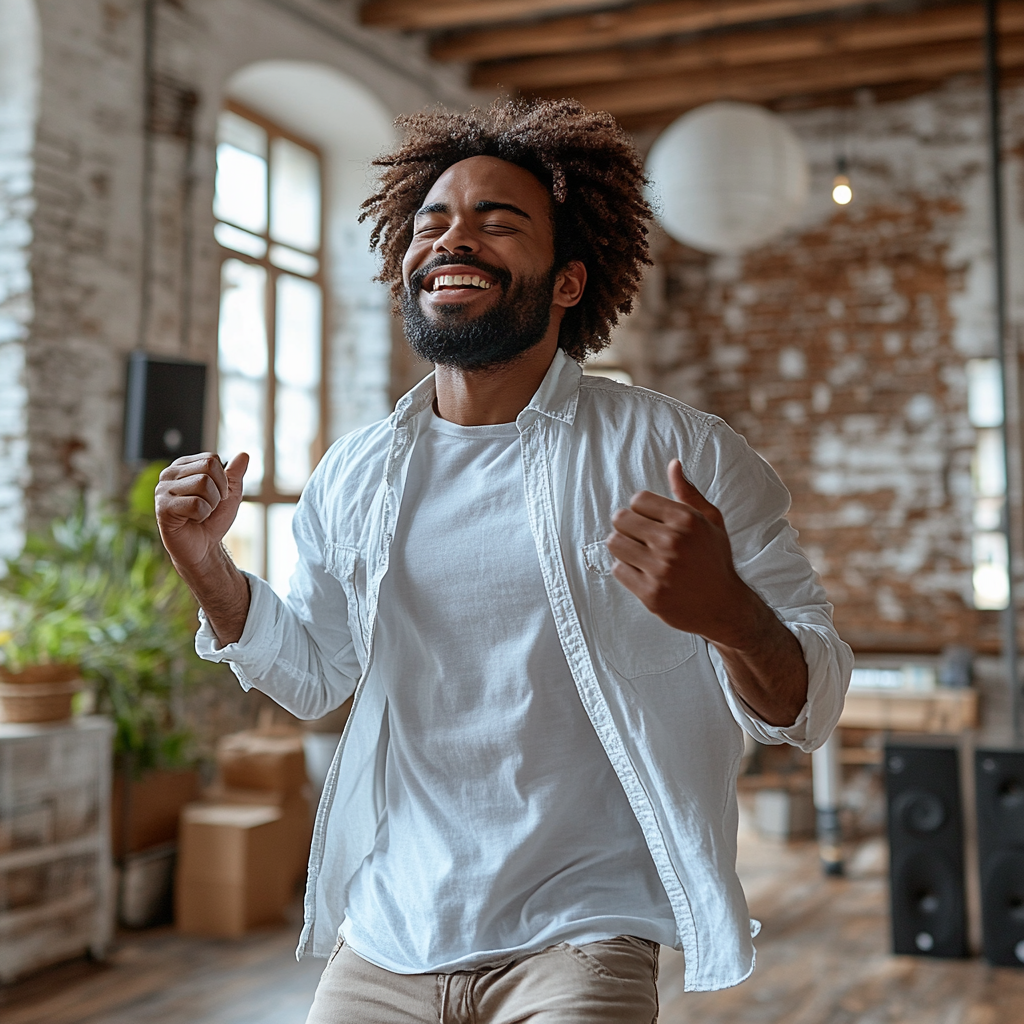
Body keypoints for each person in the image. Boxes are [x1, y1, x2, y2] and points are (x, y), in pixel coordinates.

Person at [155, 99, 852, 1023]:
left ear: (567, 284)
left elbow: (811, 705)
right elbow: (320, 679)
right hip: (390, 933)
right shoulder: (353, 475)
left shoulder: (680, 455)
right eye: (433, 220)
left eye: (498, 220)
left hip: (583, 934)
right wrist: (212, 571)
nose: (454, 239)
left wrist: (726, 611)